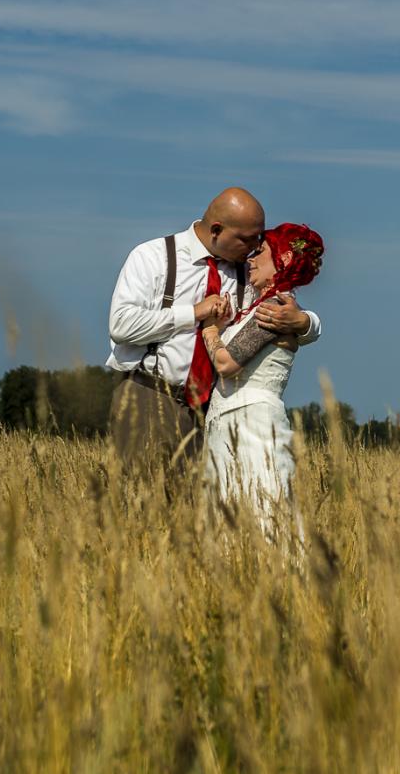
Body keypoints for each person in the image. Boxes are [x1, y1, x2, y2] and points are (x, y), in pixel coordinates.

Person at [106, 188, 321, 467]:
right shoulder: (153, 256)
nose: (254, 248)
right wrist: (194, 313)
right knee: (145, 502)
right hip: (153, 396)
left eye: (259, 239)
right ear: (217, 230)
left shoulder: (249, 272)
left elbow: (275, 321)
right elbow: (121, 325)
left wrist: (306, 323)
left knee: (199, 507)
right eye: (247, 239)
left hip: (213, 410)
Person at [201, 222, 324, 540]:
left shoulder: (275, 308)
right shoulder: (261, 306)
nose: (251, 259)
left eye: (260, 252)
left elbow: (227, 363)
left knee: (262, 514)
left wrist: (210, 329)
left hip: (251, 422)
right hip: (231, 420)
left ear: (282, 260)